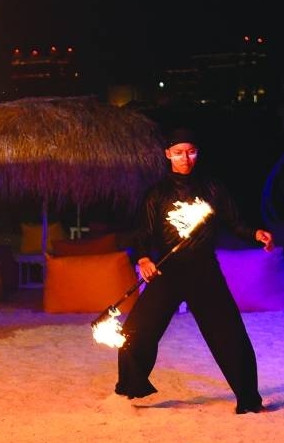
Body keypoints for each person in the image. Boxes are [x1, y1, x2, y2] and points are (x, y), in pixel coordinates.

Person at [114, 128, 274, 414]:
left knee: (229, 334)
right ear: (167, 154)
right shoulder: (157, 194)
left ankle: (249, 399)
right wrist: (143, 259)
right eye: (178, 152)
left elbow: (235, 222)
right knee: (136, 332)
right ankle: (129, 390)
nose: (185, 158)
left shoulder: (212, 188)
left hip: (204, 273)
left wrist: (255, 234)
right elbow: (142, 234)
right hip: (168, 273)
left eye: (190, 151)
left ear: (197, 153)